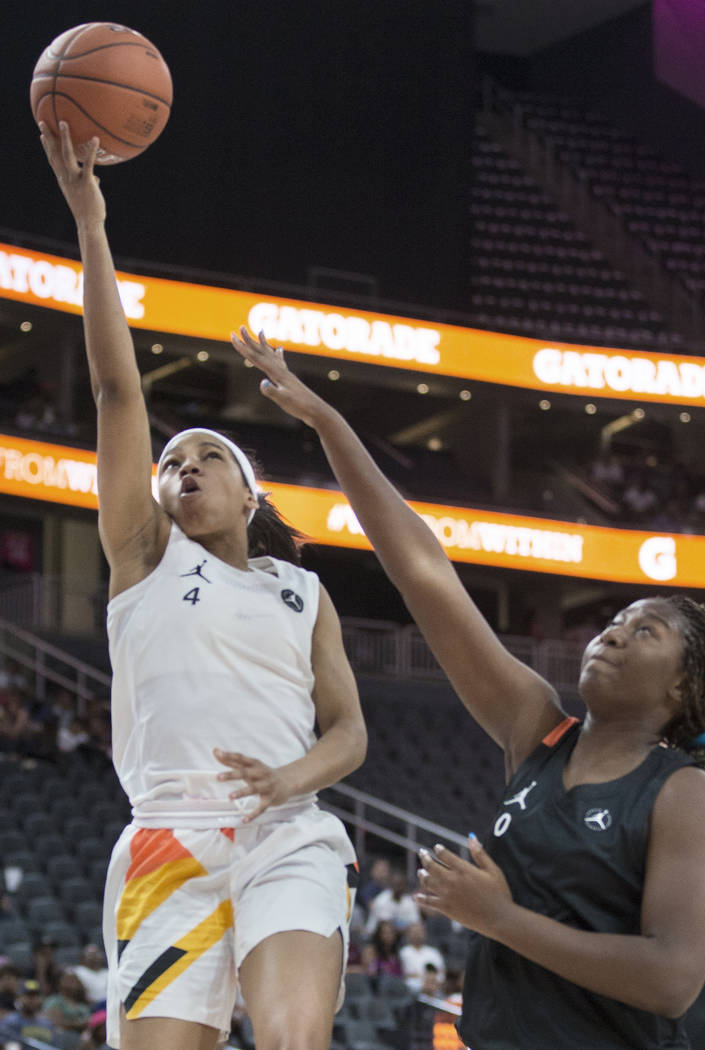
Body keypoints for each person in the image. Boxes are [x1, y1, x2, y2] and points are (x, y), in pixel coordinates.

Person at [231, 327, 705, 1049]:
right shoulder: (536, 730)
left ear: (682, 687)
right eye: (611, 621)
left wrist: (499, 919)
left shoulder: (681, 791)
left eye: (644, 632)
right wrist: (327, 421)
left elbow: (672, 978)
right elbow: (423, 570)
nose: (610, 633)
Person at [39, 122, 367, 1050]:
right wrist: (91, 225)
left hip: (286, 829)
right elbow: (115, 392)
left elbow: (348, 730)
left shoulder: (301, 592)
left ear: (250, 492)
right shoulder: (143, 558)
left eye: (207, 456)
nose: (182, 465)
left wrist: (290, 778)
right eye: (171, 461)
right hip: (166, 835)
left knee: (292, 1037)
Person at [0, 977, 57, 1044]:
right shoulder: (11, 1021)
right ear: (19, 998)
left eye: (36, 996)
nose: (33, 1000)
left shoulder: (48, 1024)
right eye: (29, 996)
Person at [399, 921, 446, 994]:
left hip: (435, 988)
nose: (417, 934)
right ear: (408, 935)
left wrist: (432, 981)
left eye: (420, 931)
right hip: (413, 990)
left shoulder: (433, 952)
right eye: (414, 932)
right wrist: (426, 980)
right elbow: (407, 974)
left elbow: (441, 972)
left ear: (425, 934)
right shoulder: (404, 952)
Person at [42, 967, 91, 1033]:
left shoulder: (82, 1004)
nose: (73, 983)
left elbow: (89, 1023)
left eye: (75, 980)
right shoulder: (54, 1000)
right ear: (60, 981)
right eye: (70, 979)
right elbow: (56, 1023)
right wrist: (79, 1025)